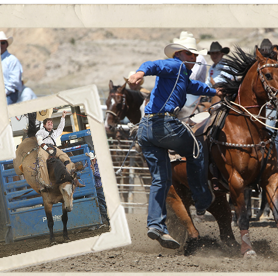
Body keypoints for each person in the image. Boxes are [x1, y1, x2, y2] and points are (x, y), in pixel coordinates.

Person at [128, 31, 223, 249]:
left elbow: (195, 87)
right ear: (182, 54)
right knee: (197, 148)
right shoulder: (177, 66)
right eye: (192, 55)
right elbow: (153, 65)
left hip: (146, 131)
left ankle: (155, 225)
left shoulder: (180, 76)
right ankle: (201, 200)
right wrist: (140, 72)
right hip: (164, 126)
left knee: (161, 180)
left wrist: (214, 90)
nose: (196, 60)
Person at [0, 31, 24, 105]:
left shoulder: (12, 60)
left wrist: (3, 92)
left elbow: (14, 82)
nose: (0, 45)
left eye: (2, 43)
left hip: (9, 95)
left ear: (6, 44)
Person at [87, 151, 110, 227]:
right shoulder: (88, 166)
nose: (92, 161)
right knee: (100, 206)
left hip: (100, 188)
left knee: (106, 204)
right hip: (94, 190)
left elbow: (101, 175)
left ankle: (111, 219)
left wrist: (93, 171)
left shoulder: (99, 165)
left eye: (92, 160)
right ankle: (108, 220)